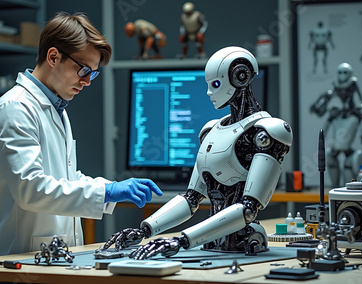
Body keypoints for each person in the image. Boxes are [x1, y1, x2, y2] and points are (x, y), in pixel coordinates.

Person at [0, 11, 162, 256]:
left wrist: (111, 187)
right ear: (53, 56)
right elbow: (31, 188)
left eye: (93, 73)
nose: (88, 81)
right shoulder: (15, 108)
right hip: (24, 255)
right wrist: (106, 193)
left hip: (56, 255)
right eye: (83, 70)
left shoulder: (57, 108)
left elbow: (65, 178)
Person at [102, 47, 292, 259]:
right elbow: (191, 198)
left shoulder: (267, 131)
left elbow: (249, 209)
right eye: (208, 85)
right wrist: (144, 231)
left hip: (245, 244)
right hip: (210, 246)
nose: (209, 92)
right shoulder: (211, 130)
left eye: (216, 84)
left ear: (240, 77)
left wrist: (181, 241)